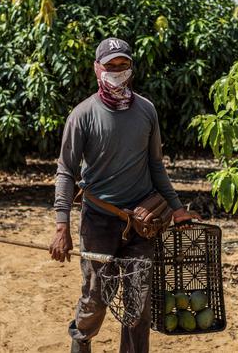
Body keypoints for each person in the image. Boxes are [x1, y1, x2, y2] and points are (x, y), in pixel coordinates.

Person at [49, 37, 199, 353]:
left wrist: (177, 208)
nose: (117, 71)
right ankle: (81, 339)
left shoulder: (146, 111)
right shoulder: (83, 114)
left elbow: (155, 165)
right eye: (110, 66)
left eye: (123, 65)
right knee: (96, 297)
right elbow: (66, 171)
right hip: (99, 221)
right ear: (97, 69)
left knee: (139, 302)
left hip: (143, 222)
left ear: (131, 68)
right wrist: (62, 226)